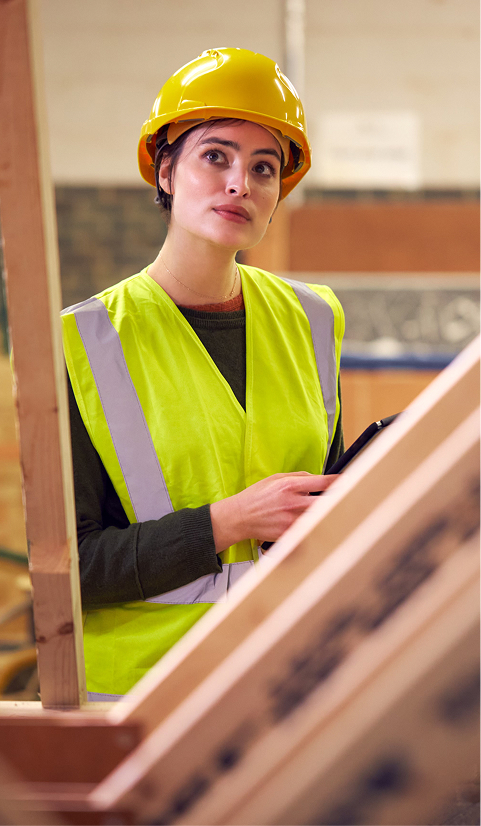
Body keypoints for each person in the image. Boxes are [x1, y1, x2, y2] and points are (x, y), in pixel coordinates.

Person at [61, 47, 345, 700]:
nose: (239, 183)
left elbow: (319, 507)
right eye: (214, 156)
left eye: (263, 167)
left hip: (285, 688)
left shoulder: (313, 318)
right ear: (165, 170)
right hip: (143, 703)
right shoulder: (81, 341)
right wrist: (227, 522)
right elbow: (69, 571)